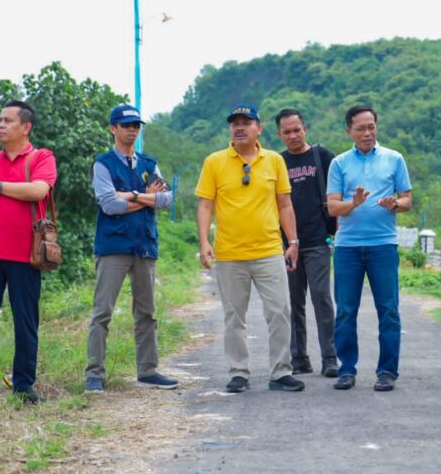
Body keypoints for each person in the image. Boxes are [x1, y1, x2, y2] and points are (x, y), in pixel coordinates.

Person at [196, 104, 304, 393]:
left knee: (280, 311)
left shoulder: (274, 161)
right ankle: (238, 372)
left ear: (259, 128)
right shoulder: (214, 162)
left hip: (269, 250)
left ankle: (281, 372)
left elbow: (284, 204)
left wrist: (292, 241)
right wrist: (205, 242)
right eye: (235, 123)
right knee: (234, 316)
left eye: (247, 122)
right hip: (230, 254)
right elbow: (205, 204)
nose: (240, 127)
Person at [85, 105, 178, 393]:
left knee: (147, 312)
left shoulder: (149, 163)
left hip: (144, 245)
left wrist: (133, 195)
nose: (132, 130)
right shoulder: (102, 164)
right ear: (113, 128)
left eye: (136, 125)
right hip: (113, 246)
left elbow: (166, 200)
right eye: (126, 125)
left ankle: (148, 371)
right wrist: (146, 196)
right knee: (102, 312)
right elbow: (110, 205)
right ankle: (94, 375)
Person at [0, 101, 57, 408]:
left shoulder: (40, 157)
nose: (0, 125)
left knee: (26, 320)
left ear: (26, 127)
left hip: (26, 254)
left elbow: (38, 191)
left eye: (8, 121)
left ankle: (23, 386)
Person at [326, 105, 412, 392]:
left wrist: (395, 204)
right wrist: (354, 203)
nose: (367, 133)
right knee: (346, 310)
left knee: (388, 310)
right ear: (348, 131)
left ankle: (387, 371)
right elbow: (333, 206)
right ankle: (347, 369)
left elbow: (407, 199)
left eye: (371, 126)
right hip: (348, 247)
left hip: (383, 246)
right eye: (360, 128)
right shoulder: (339, 163)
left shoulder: (394, 158)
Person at [275, 109, 339, 378]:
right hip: (286, 244)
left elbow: (338, 193)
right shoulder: (276, 162)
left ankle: (330, 357)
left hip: (317, 241)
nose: (293, 135)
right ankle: (299, 358)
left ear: (306, 129)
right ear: (279, 134)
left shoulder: (323, 157)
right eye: (287, 132)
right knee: (292, 302)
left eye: (297, 130)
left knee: (322, 298)